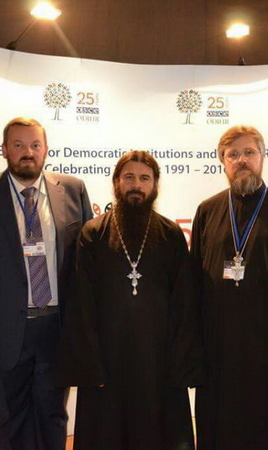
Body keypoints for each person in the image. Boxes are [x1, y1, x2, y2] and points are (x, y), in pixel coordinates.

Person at [0, 117, 92, 450]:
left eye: (35, 145)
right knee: (11, 416)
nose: (28, 152)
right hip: (5, 330)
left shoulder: (73, 190)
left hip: (58, 327)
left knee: (54, 414)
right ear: (4, 150)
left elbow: (88, 263)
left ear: (46, 149)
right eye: (19, 145)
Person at [57, 150, 204, 450]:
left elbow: (184, 304)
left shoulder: (171, 234)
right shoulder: (93, 234)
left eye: (144, 178)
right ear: (116, 183)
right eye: (129, 177)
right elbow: (81, 304)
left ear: (155, 186)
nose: (137, 185)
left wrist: (180, 362)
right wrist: (90, 366)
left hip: (158, 364)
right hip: (107, 363)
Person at [190, 126, 268, 449]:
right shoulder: (207, 211)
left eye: (249, 152)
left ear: (262, 157)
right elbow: (194, 287)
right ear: (223, 162)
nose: (241, 160)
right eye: (233, 154)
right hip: (217, 355)